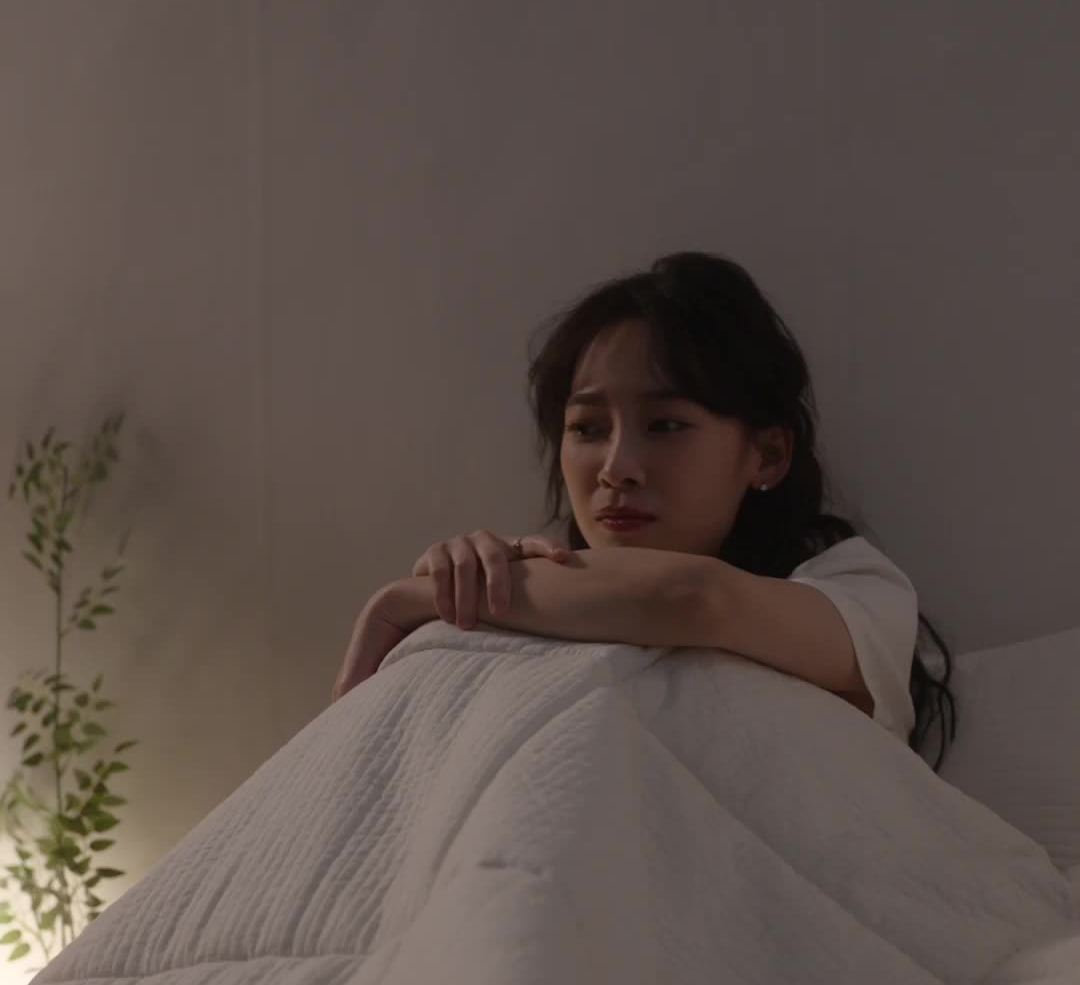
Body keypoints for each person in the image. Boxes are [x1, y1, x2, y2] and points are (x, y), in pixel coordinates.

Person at [333, 252, 957, 773]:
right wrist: (462, 591)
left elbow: (695, 598)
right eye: (587, 428)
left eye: (665, 425)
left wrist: (420, 600)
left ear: (766, 454)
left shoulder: (859, 594)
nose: (616, 467)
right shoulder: (524, 591)